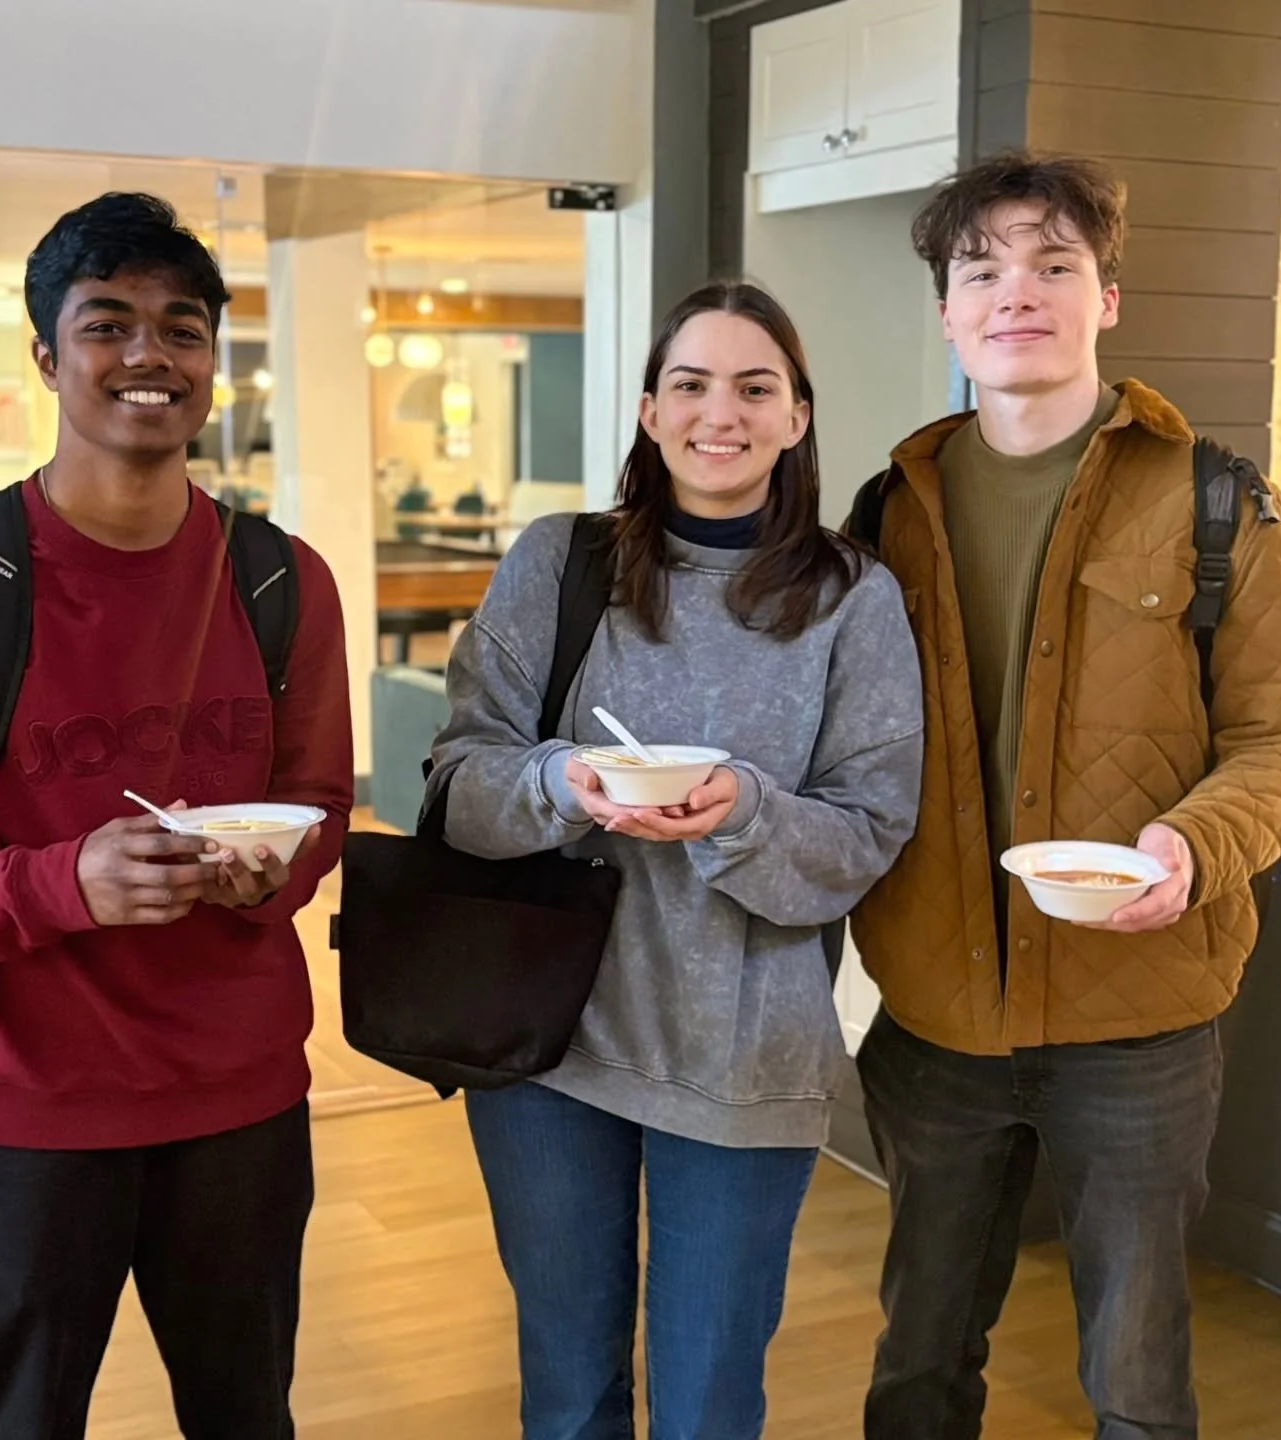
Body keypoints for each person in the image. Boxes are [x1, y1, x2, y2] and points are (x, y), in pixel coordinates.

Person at [0, 192, 354, 1439]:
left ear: (211, 362)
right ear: (46, 356)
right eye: (109, 324)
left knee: (248, 1416)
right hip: (18, 1113)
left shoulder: (281, 580)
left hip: (240, 1102)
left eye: (182, 329)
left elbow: (315, 804)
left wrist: (274, 873)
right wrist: (60, 883)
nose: (151, 356)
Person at [846, 151, 1281, 1439]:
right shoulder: (891, 512)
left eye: (1056, 264)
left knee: (1141, 1380)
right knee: (920, 1359)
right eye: (981, 269)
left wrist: (1192, 847)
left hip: (1140, 1023)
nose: (1017, 293)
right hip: (937, 1014)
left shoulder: (1219, 501)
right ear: (946, 309)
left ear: (1108, 294)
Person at [428, 281, 924, 1439]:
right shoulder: (562, 563)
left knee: (708, 1405)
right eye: (691, 385)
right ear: (651, 414)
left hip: (746, 1059)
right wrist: (563, 784)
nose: (722, 413)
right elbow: (457, 785)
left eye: (757, 388)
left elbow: (868, 836)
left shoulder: (854, 599)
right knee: (568, 1394)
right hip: (546, 1046)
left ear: (798, 418)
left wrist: (743, 810)